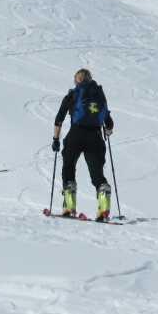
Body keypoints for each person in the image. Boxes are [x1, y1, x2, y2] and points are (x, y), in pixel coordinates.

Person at [52, 68, 115, 221]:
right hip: (95, 137)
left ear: (77, 80)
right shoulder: (99, 95)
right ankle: (104, 208)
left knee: (68, 167)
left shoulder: (73, 95)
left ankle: (69, 206)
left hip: (76, 134)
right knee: (97, 174)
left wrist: (56, 139)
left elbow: (59, 119)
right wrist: (107, 131)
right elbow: (109, 123)